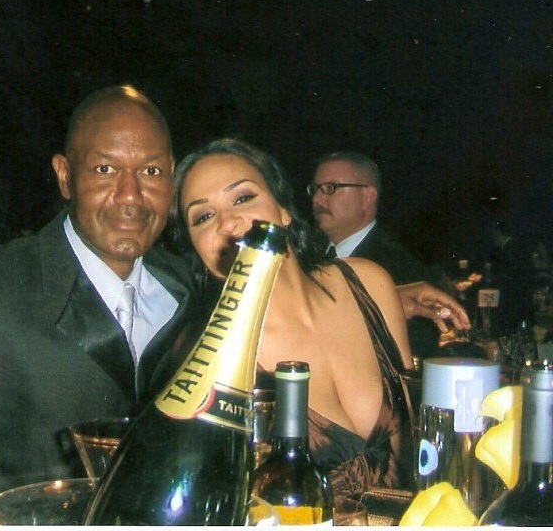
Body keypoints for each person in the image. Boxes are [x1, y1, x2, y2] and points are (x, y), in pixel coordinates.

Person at [0, 85, 203, 523]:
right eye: (105, 169)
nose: (130, 195)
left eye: (151, 171)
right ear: (65, 176)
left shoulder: (191, 294)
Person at [169, 138, 416, 503]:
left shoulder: (371, 284)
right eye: (203, 217)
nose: (228, 221)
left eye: (243, 198)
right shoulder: (209, 358)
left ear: (283, 210)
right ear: (196, 248)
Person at [309, 151, 466, 357]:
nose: (317, 199)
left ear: (367, 197)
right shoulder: (304, 255)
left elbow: (410, 358)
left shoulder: (400, 269)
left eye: (330, 188)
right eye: (315, 189)